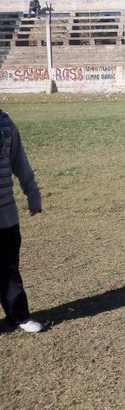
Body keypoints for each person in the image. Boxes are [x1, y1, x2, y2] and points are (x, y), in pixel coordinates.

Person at [0, 109, 45, 333]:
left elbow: (20, 162)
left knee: (9, 269)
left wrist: (33, 194)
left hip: (5, 214)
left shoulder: (5, 123)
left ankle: (19, 316)